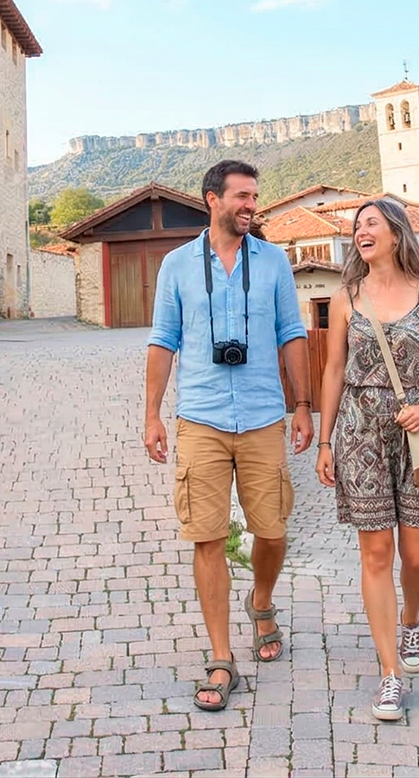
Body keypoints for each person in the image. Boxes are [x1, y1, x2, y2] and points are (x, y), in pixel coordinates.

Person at [144, 160, 315, 712]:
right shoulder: (175, 265)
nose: (251, 205)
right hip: (201, 418)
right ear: (212, 199)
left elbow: (292, 333)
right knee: (207, 536)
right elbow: (163, 340)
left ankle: (261, 600)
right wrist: (152, 415)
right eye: (242, 196)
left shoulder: (273, 263)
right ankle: (221, 657)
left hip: (265, 415)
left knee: (272, 531)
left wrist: (304, 405)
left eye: (255, 196)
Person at [315, 196, 419, 722]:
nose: (361, 231)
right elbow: (333, 370)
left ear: (396, 234)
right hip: (360, 434)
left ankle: (412, 617)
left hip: (416, 432)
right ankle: (390, 672)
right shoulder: (347, 296)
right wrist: (326, 440)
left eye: (371, 223)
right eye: (357, 226)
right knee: (375, 555)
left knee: (416, 558)